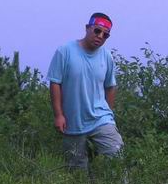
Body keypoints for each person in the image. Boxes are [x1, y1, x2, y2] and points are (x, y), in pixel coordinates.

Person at [47, 12, 124, 173]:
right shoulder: (65, 51)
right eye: (97, 31)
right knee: (77, 171)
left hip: (101, 118)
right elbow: (55, 83)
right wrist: (58, 115)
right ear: (87, 28)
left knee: (116, 156)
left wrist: (109, 112)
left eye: (105, 35)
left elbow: (111, 86)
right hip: (73, 122)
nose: (100, 36)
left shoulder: (106, 56)